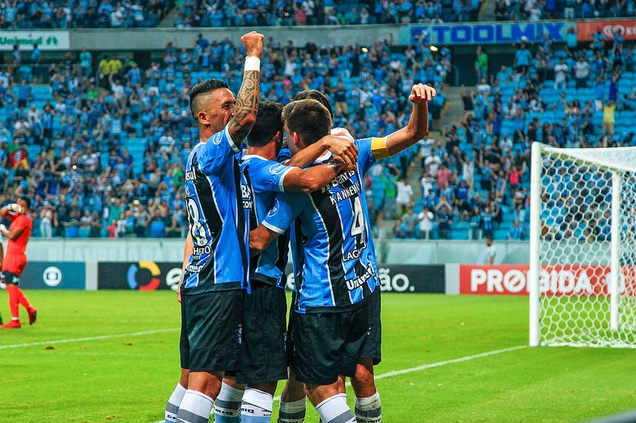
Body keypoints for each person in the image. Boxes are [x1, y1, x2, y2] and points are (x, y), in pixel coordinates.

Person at [250, 83, 436, 423]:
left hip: (321, 298)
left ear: (293, 136)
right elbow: (414, 132)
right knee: (360, 376)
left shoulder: (298, 185)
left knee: (316, 387)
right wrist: (419, 103)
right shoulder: (359, 151)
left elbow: (260, 239)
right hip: (364, 289)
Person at [215, 101, 357, 423]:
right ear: (280, 135)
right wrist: (337, 160)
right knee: (263, 380)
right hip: (262, 284)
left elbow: (293, 162)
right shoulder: (263, 169)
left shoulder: (234, 162)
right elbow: (305, 180)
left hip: (230, 284)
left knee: (233, 375)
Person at [163, 30, 264, 423]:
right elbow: (248, 117)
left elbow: (194, 226)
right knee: (207, 383)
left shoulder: (211, 160)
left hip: (200, 280)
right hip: (217, 282)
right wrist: (253, 56)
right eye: (227, 105)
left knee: (190, 379)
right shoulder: (210, 152)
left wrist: (185, 271)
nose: (235, 107)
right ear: (205, 117)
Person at [0, 197, 37, 329]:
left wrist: (2, 229)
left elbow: (12, 236)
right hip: (13, 256)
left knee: (11, 287)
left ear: (23, 205)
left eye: (18, 202)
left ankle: (15, 320)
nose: (17, 204)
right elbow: (2, 213)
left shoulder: (24, 220)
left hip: (15, 257)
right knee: (11, 287)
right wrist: (10, 207)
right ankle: (30, 309)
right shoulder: (17, 217)